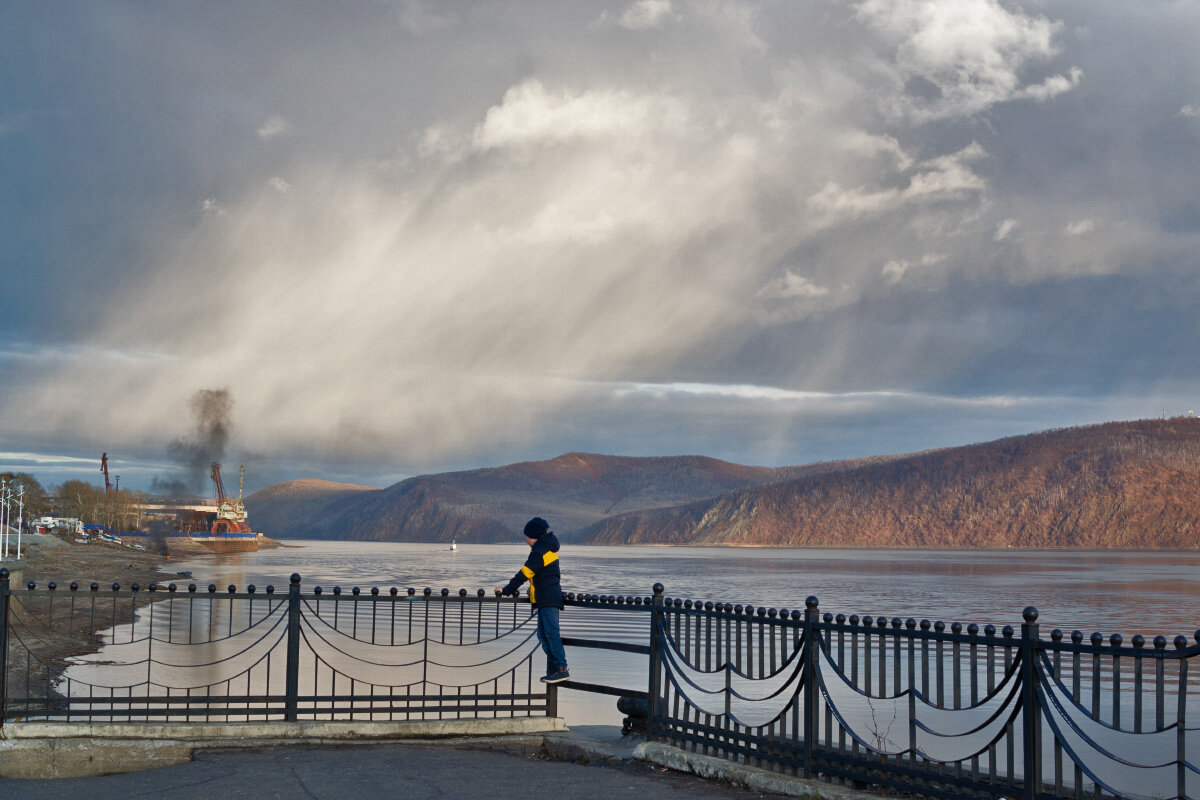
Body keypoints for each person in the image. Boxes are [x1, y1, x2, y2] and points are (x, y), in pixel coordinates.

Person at [497, 516, 569, 684]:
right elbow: (546, 574)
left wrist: (506, 590)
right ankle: (554, 669)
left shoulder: (539, 552)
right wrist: (533, 587)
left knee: (551, 635)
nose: (526, 539)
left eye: (527, 536)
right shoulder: (547, 548)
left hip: (548, 599)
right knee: (543, 636)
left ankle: (562, 668)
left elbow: (524, 574)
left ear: (534, 536)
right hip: (546, 597)